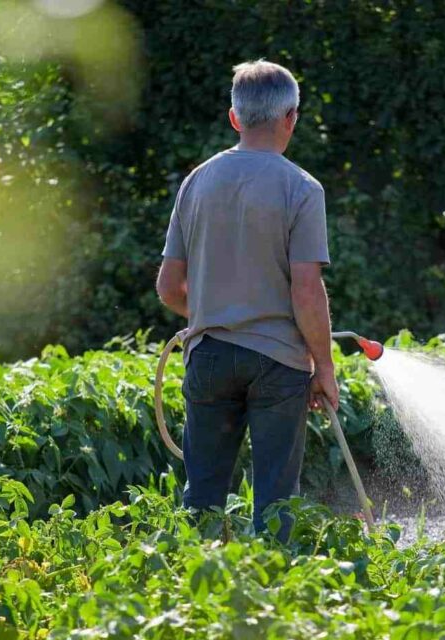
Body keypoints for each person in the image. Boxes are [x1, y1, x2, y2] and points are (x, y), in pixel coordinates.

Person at [155, 59, 337, 540]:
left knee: (202, 498)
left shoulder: (196, 182)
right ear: (291, 118)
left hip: (209, 356)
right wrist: (325, 366)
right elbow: (306, 289)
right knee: (276, 501)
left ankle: (189, 596)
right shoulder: (301, 188)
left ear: (234, 118)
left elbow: (169, 288)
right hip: (279, 365)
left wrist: (220, 312)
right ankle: (274, 597)